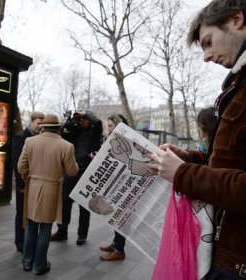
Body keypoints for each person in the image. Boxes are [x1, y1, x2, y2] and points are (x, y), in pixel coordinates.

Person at [149, 1, 246, 278]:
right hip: (224, 245)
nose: (205, 56)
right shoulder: (235, 84)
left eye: (208, 42)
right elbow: (231, 160)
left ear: (236, 19)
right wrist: (188, 158)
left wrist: (183, 173)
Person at [18, 114, 79, 275]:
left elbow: (21, 167)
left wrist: (29, 177)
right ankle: (39, 266)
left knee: (31, 227)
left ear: (43, 126)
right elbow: (73, 171)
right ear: (58, 127)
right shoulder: (66, 146)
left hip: (33, 187)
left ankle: (26, 262)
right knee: (45, 229)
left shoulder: (30, 141)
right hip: (52, 189)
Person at [51, 110, 102, 245]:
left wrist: (86, 113)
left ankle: (82, 235)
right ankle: (62, 231)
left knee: (84, 205)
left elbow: (98, 122)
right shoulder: (74, 131)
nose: (82, 121)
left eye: (84, 119)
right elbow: (61, 136)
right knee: (65, 203)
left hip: (86, 172)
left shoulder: (94, 132)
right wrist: (68, 123)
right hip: (71, 171)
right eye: (81, 119)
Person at [12, 111, 44, 253]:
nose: (40, 127)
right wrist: (22, 185)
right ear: (31, 122)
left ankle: (29, 241)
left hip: (36, 184)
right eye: (38, 123)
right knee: (21, 214)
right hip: (24, 184)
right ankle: (20, 243)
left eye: (42, 124)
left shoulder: (40, 139)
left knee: (32, 215)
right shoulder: (20, 137)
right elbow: (17, 164)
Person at [99, 113, 127, 261]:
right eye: (107, 126)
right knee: (116, 216)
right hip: (114, 183)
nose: (108, 129)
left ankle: (120, 250)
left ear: (118, 125)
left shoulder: (123, 140)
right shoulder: (111, 138)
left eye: (110, 126)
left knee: (120, 217)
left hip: (122, 184)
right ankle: (117, 243)